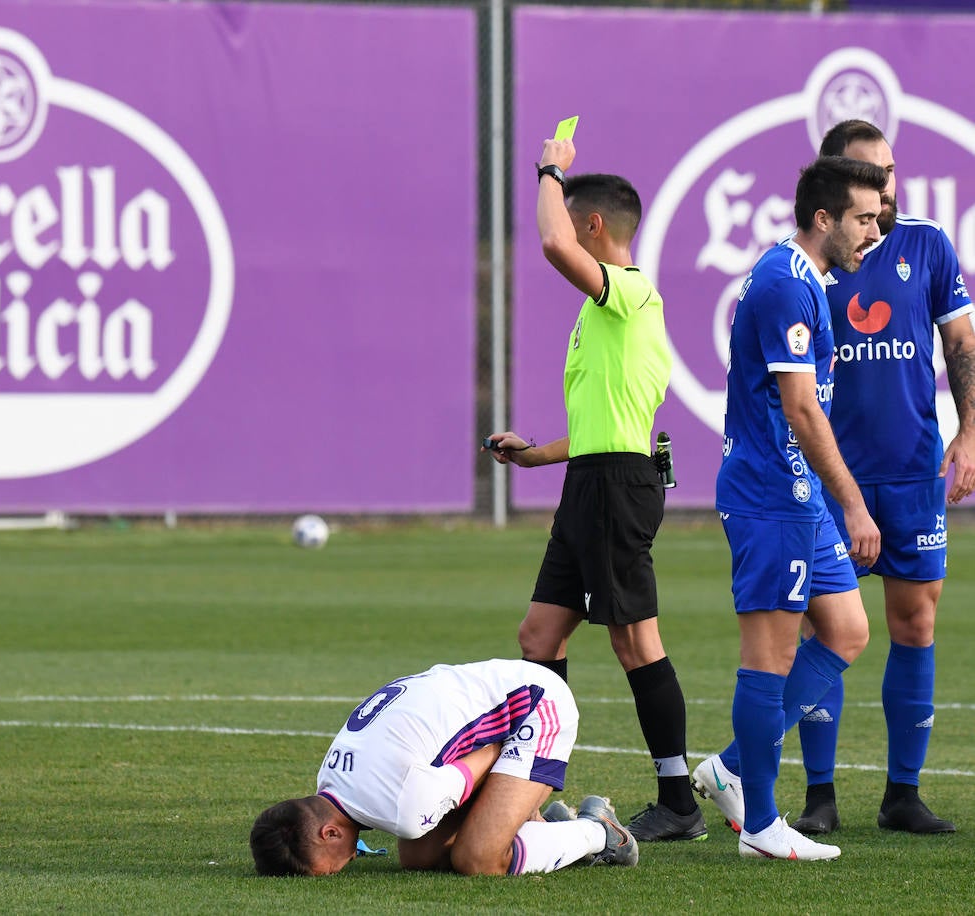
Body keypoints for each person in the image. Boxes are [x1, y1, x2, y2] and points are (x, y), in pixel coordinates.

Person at [486, 136, 704, 844]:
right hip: (591, 481)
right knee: (539, 635)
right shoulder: (603, 317)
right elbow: (600, 428)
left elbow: (552, 243)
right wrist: (533, 457)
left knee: (636, 642)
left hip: (618, 487)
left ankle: (678, 800)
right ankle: (536, 782)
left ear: (593, 228)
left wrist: (550, 167)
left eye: (570, 215)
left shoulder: (631, 294)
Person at [692, 156, 889, 861]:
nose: (875, 230)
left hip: (797, 493)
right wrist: (856, 505)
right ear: (823, 218)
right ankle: (764, 827)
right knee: (769, 656)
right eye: (864, 218)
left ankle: (729, 769)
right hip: (773, 494)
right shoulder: (784, 283)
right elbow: (800, 408)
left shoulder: (806, 279)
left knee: (845, 630)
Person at [786, 121, 974, 836]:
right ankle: (820, 795)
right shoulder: (810, 258)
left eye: (891, 173)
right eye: (871, 176)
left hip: (910, 470)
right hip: (833, 477)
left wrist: (970, 432)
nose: (886, 189)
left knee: (915, 622)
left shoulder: (926, 243)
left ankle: (903, 794)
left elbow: (960, 342)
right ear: (836, 187)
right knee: (826, 625)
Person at [249, 658, 638, 877]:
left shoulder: (401, 806)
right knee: (417, 858)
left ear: (328, 831)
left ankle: (600, 832)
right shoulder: (331, 779)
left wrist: (518, 790)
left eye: (327, 870)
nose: (339, 870)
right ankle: (535, 826)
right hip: (499, 688)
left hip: (535, 707)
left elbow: (486, 756)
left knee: (478, 859)